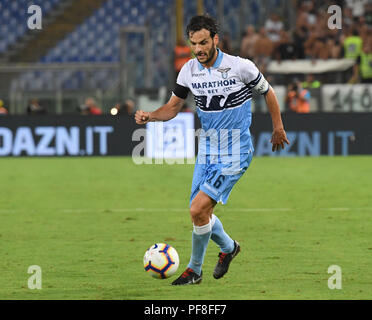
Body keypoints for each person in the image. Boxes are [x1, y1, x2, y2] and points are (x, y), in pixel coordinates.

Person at [135, 15, 290, 285]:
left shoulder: (240, 67)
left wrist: (278, 127)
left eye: (204, 42)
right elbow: (173, 107)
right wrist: (151, 116)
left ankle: (195, 270)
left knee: (197, 209)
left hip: (235, 152)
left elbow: (268, 92)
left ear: (215, 39)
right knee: (200, 212)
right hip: (207, 150)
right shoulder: (188, 70)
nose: (199, 49)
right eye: (194, 44)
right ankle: (230, 248)